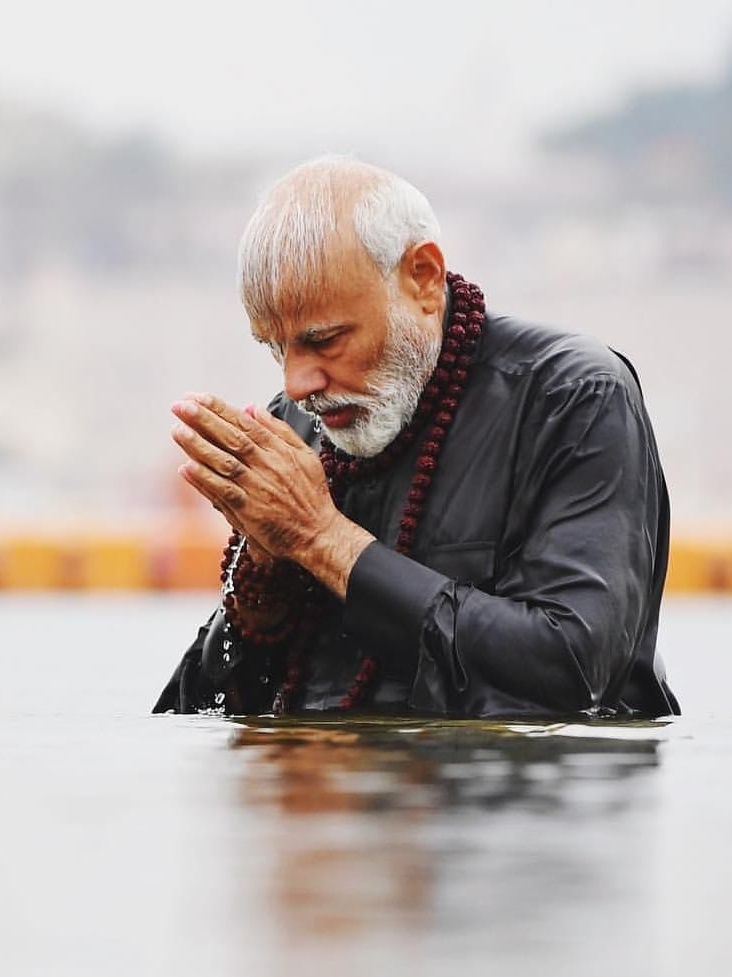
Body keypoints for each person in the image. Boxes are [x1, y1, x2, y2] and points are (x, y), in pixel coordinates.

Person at [155, 157, 680, 718]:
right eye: (275, 348)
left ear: (423, 278)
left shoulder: (572, 396)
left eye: (325, 340)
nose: (296, 384)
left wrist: (323, 540)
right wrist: (263, 581)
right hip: (331, 790)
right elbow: (197, 714)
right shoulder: (299, 427)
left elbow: (576, 672)